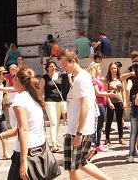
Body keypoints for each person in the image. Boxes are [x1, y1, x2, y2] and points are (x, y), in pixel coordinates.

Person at [57, 49, 109, 180]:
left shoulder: (80, 79)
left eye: (64, 64)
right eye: (61, 65)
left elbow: (85, 106)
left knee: (75, 164)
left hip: (78, 129)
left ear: (73, 61)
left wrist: (79, 133)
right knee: (77, 164)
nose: (63, 68)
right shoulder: (82, 77)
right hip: (79, 127)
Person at [0, 66, 47, 180]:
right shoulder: (34, 96)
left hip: (27, 151)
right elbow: (24, 127)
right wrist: (1, 136)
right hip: (39, 147)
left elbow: (23, 129)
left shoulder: (20, 100)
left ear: (17, 79)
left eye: (13, 77)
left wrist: (23, 162)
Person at [39, 59, 67, 152]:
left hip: (59, 101)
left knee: (58, 122)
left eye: (54, 66)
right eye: (51, 66)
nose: (54, 68)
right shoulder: (44, 78)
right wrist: (41, 102)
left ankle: (56, 140)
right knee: (53, 122)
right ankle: (53, 144)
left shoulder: (59, 76)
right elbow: (40, 91)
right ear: (47, 68)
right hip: (49, 101)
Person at [89, 62, 115, 153]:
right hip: (98, 104)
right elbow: (98, 93)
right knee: (99, 125)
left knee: (101, 123)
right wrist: (108, 94)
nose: (100, 71)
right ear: (95, 70)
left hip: (103, 103)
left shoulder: (97, 79)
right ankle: (97, 143)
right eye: (99, 69)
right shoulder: (94, 81)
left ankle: (98, 141)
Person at [0, 66, 12, 160]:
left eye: (6, 74)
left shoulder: (1, 84)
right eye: (3, 74)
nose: (5, 76)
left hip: (0, 111)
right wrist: (17, 88)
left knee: (4, 132)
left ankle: (5, 153)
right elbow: (4, 90)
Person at [104, 61, 125, 145]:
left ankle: (121, 137)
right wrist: (109, 103)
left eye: (115, 68)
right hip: (111, 102)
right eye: (112, 68)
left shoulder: (120, 79)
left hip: (119, 100)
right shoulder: (107, 80)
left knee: (120, 120)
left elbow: (123, 91)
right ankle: (107, 138)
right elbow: (105, 92)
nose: (113, 70)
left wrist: (124, 101)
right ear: (109, 69)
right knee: (109, 120)